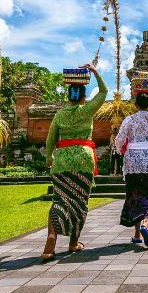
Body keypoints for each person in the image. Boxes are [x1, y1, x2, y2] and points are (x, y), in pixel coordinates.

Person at [41, 64, 107, 261]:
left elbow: (50, 139)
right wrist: (95, 72)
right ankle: (72, 242)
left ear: (68, 96)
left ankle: (50, 240)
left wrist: (48, 158)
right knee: (79, 202)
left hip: (61, 161)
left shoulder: (60, 114)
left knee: (59, 200)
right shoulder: (87, 110)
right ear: (84, 97)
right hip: (83, 160)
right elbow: (104, 91)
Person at [115, 70, 148, 248]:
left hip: (132, 162)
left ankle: (137, 234)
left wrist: (122, 152)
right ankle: (144, 225)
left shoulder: (129, 120)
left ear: (136, 104)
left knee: (135, 195)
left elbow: (119, 140)